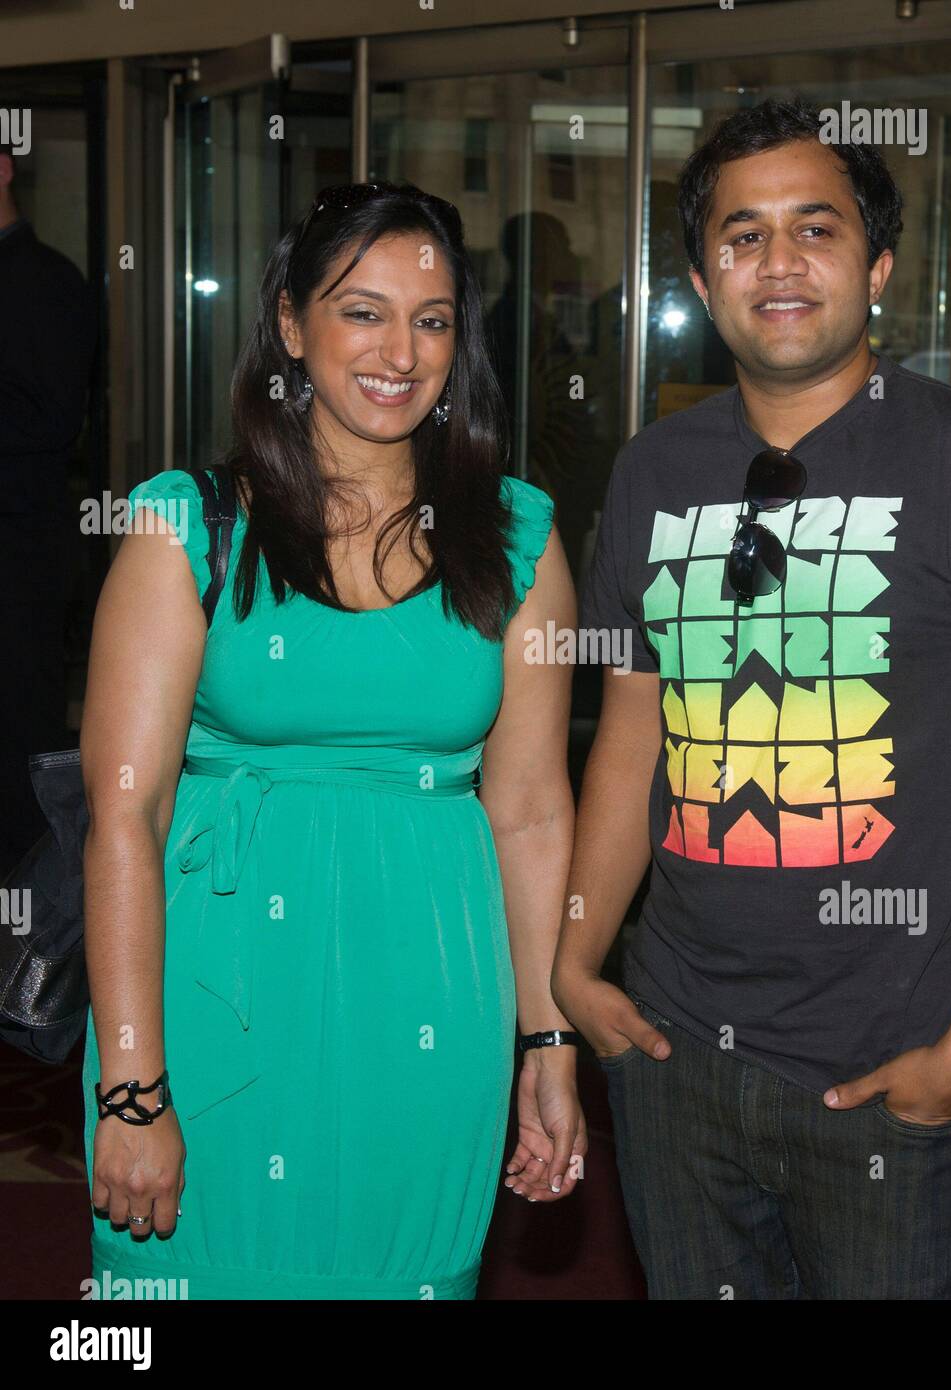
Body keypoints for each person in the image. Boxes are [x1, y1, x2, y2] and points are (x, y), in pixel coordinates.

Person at [554, 97, 951, 1300]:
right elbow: (629, 739)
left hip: (890, 1067)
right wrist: (576, 956)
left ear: (878, 267)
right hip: (673, 1055)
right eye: (743, 236)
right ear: (705, 283)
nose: (781, 261)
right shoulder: (654, 471)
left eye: (816, 226)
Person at [80, 181, 585, 1300]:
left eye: (434, 316)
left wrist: (550, 1040)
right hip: (212, 1004)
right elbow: (126, 816)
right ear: (293, 327)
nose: (400, 349)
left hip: (433, 1008)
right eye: (362, 310)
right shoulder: (187, 528)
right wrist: (130, 1082)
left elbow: (534, 810)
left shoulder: (516, 542)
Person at [0, 138, 96, 878]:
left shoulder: (44, 282)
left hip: (18, 558)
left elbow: (55, 419)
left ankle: (31, 944)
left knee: (18, 749)